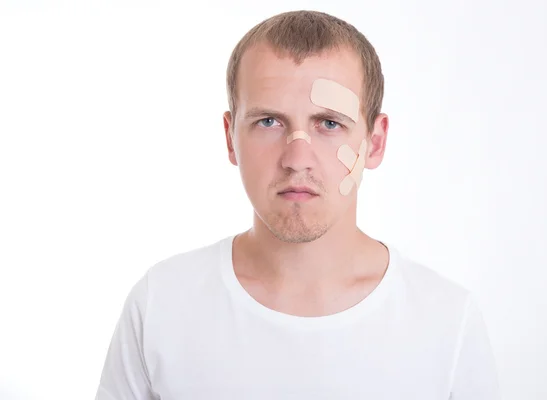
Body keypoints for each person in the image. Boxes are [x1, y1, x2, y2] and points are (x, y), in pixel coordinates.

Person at [95, 10, 501, 400]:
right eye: (268, 122)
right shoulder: (162, 304)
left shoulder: (447, 321)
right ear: (229, 137)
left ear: (374, 143)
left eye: (329, 123)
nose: (297, 158)